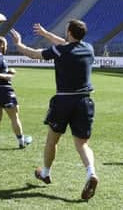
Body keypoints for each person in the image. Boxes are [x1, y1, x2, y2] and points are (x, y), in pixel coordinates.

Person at [10, 21, 98, 201]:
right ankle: (91, 173)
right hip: (84, 101)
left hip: (64, 100)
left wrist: (18, 44)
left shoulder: (60, 51)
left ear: (70, 32)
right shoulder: (88, 48)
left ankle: (46, 172)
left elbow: (34, 54)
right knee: (82, 144)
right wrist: (46, 34)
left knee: (52, 141)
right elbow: (67, 44)